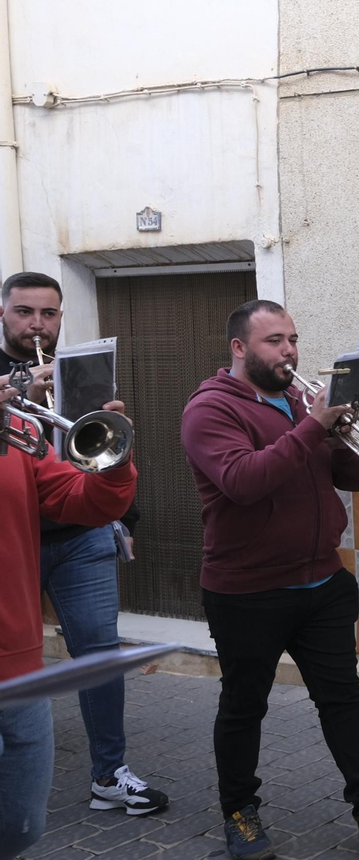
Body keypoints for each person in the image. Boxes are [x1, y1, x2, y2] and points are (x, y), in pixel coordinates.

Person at [179, 300, 359, 859]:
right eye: (274, 341)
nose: (289, 351)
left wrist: (338, 432)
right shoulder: (210, 409)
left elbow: (351, 477)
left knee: (343, 700)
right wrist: (313, 427)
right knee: (244, 706)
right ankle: (241, 815)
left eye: (292, 339)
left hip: (321, 581)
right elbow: (243, 481)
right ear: (239, 348)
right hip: (247, 589)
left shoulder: (300, 402)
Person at [0, 272, 165, 815]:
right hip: (19, 540)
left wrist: (124, 516)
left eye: (48, 314)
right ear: (2, 313)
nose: (37, 324)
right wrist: (23, 400)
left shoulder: (78, 369)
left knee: (98, 655)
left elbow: (99, 444)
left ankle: (109, 775)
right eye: (25, 312)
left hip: (79, 534)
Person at [0, 379, 138, 859]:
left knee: (21, 827)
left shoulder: (17, 430)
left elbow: (84, 501)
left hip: (19, 665)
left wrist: (113, 460)